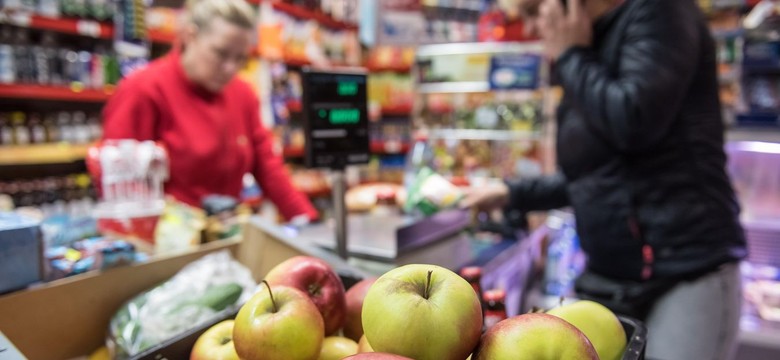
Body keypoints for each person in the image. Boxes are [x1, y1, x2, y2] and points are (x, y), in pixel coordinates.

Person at [461, 0, 748, 359]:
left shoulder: (660, 13)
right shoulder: (591, 43)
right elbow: (596, 176)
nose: (533, 29)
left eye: (534, 11)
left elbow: (635, 122)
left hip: (685, 270)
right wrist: (511, 192)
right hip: (611, 275)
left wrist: (571, 55)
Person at [102, 0, 318, 222]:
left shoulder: (242, 94)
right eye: (220, 53)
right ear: (190, 36)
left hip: (225, 234)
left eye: (240, 58)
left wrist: (306, 219)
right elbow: (119, 183)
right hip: (165, 242)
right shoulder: (143, 90)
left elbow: (268, 167)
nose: (230, 68)